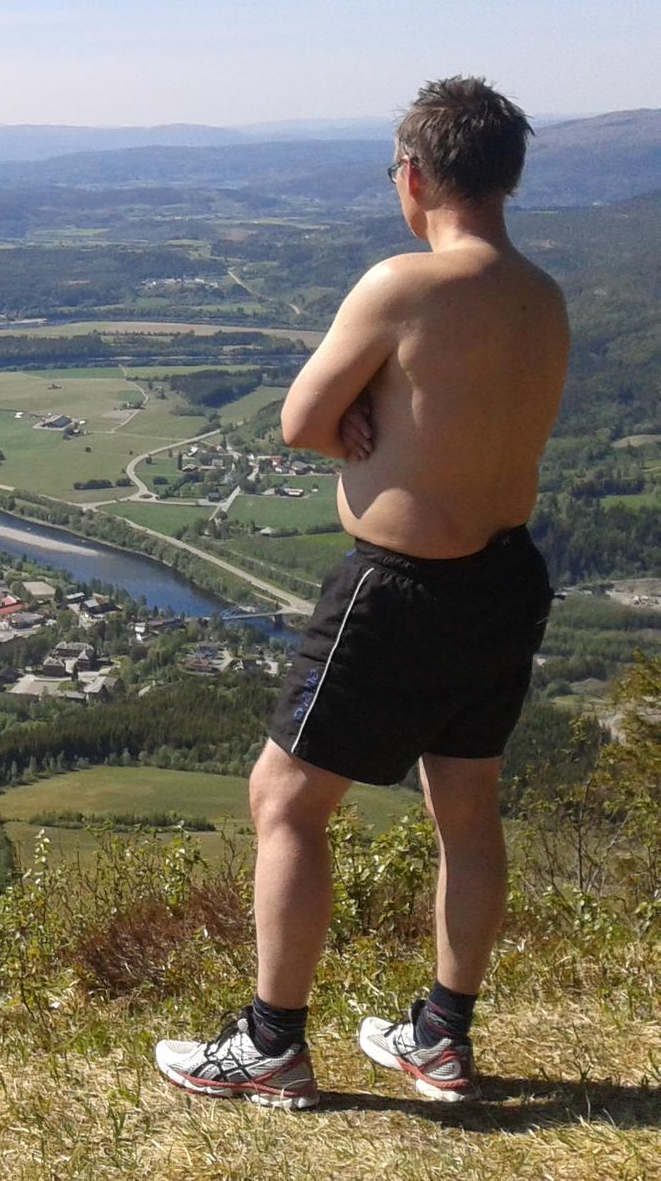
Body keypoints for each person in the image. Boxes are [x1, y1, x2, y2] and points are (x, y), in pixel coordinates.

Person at [155, 77, 566, 1108]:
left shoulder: (401, 284)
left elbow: (299, 419)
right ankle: (438, 1037)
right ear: (504, 175)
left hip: (400, 590)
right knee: (465, 813)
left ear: (412, 175)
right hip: (506, 578)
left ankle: (269, 1045)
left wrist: (352, 420)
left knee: (282, 802)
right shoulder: (540, 296)